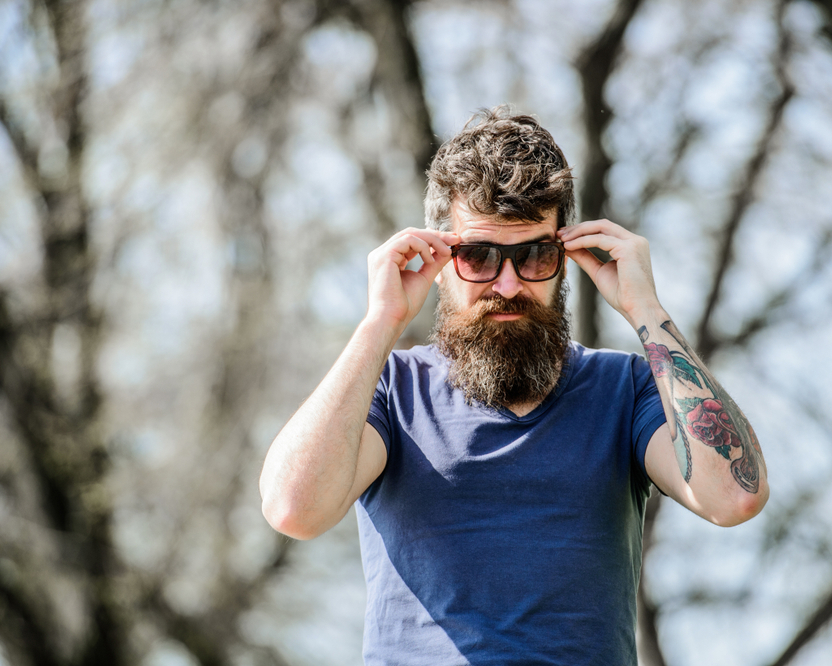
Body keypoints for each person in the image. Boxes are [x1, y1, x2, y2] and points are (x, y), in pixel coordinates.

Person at [260, 107, 769, 665]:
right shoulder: (389, 390)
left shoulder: (625, 391)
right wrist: (380, 322)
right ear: (440, 257)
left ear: (564, 256)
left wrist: (646, 309)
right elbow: (293, 509)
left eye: (534, 255)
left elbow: (734, 497)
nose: (508, 283)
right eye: (479, 256)